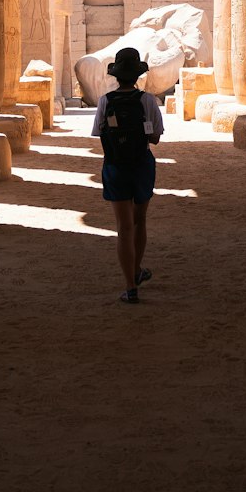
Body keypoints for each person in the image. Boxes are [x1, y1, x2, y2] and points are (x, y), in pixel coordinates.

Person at [91, 47, 164, 304]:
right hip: (141, 164)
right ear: (137, 75)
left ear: (117, 75)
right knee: (139, 221)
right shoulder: (148, 101)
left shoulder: (105, 101)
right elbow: (155, 137)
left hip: (114, 166)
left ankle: (130, 286)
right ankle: (136, 269)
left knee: (123, 228)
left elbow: (99, 133)